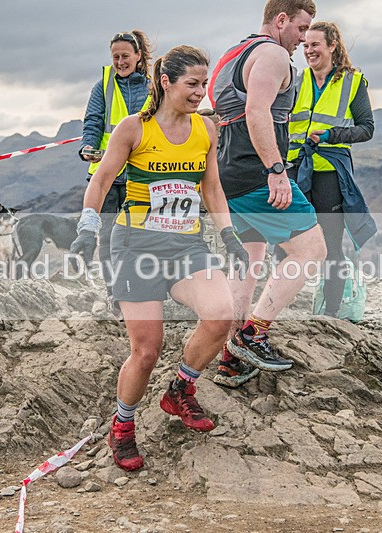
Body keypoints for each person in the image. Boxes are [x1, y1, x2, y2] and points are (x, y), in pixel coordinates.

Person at [70, 45, 250, 471]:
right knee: (146, 351)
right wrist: (87, 226)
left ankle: (180, 391)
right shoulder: (133, 129)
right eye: (192, 84)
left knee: (221, 313)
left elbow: (211, 189)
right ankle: (123, 426)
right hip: (136, 246)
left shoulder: (206, 129)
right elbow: (101, 181)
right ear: (165, 82)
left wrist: (230, 236)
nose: (200, 92)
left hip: (185, 245)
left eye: (204, 83)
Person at [209, 0, 326, 388]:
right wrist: (276, 171)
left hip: (227, 172)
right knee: (311, 250)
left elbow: (224, 112)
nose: (303, 39)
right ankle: (253, 334)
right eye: (300, 28)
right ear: (281, 20)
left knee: (249, 258)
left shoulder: (232, 54)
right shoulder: (273, 54)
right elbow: (257, 112)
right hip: (256, 172)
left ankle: (230, 358)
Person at [287, 21, 377, 318]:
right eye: (305, 45)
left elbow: (366, 129)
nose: (309, 50)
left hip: (329, 173)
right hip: (294, 170)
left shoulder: (353, 82)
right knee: (283, 241)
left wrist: (331, 135)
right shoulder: (296, 80)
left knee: (330, 246)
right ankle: (280, 305)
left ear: (332, 46)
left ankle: (332, 313)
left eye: (315, 44)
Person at [80, 30, 153, 316]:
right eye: (115, 57)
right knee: (109, 239)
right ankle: (115, 295)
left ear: (138, 56)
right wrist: (88, 143)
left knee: (141, 238)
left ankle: (142, 292)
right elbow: (93, 121)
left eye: (125, 56)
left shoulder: (153, 88)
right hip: (107, 177)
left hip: (141, 176)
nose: (120, 61)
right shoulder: (102, 87)